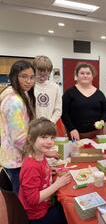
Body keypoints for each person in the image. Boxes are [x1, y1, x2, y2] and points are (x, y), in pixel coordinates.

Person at [19, 118, 70, 224]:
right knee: (69, 213)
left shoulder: (40, 155)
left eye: (52, 138)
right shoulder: (31, 167)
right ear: (30, 139)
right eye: (44, 137)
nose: (49, 142)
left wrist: (49, 171)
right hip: (38, 215)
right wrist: (58, 184)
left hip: (45, 205)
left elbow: (39, 174)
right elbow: (33, 199)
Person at [0, 60, 36, 193]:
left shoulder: (20, 93)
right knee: (22, 197)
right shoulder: (14, 101)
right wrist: (39, 151)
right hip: (16, 159)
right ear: (14, 76)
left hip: (15, 155)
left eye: (32, 77)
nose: (29, 81)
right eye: (24, 76)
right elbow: (19, 138)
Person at [62, 63, 106, 140]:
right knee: (76, 152)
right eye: (82, 73)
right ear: (77, 75)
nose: (85, 76)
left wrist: (102, 121)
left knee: (96, 152)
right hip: (76, 134)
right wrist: (71, 129)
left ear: (92, 76)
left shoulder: (99, 94)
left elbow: (105, 111)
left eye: (88, 73)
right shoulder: (69, 93)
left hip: (97, 134)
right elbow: (64, 113)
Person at [33, 56, 62, 124]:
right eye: (40, 74)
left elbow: (58, 110)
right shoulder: (30, 86)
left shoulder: (55, 88)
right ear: (34, 70)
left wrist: (51, 122)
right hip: (33, 125)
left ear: (49, 73)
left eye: (45, 75)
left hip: (49, 125)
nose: (42, 78)